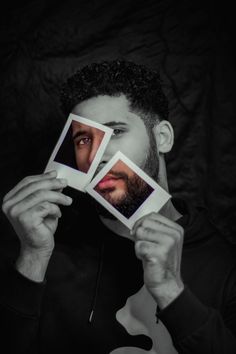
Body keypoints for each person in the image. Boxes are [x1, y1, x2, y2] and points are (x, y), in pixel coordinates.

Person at [1, 60, 236, 354]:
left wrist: (170, 292)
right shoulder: (47, 246)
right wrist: (33, 256)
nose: (99, 155)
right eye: (85, 139)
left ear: (161, 137)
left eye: (115, 132)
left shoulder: (224, 265)